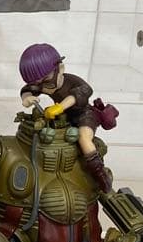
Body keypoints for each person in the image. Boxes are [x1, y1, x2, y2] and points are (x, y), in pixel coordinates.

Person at [19, 43, 118, 193]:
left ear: (60, 68)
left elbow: (83, 92)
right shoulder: (43, 83)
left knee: (83, 138)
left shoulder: (72, 81)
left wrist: (60, 107)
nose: (43, 86)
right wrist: (27, 97)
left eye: (46, 79)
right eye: (37, 83)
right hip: (65, 117)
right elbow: (27, 90)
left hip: (84, 115)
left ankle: (100, 175)